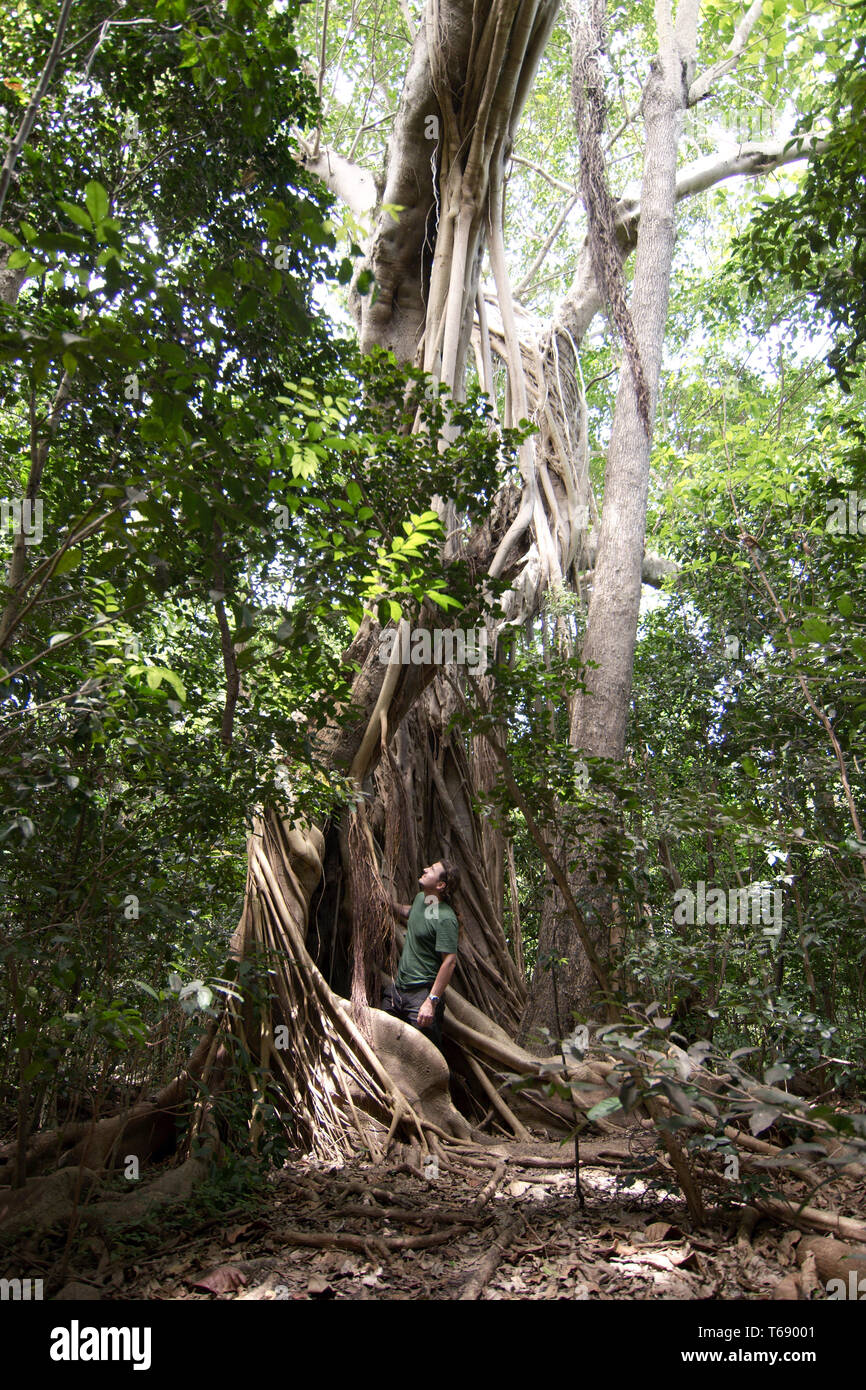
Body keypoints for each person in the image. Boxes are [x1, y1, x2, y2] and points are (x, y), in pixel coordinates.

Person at [382, 860, 460, 1052]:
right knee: (382, 1040)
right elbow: (412, 912)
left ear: (441, 885)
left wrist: (430, 1002)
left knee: (421, 1056)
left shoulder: (446, 918)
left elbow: (449, 961)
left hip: (421, 996)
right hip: (398, 989)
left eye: (432, 869)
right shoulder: (423, 900)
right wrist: (389, 904)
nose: (425, 869)